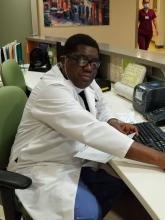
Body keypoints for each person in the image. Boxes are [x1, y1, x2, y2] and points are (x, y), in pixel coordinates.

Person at [8, 33, 165, 220]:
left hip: (71, 157)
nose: (89, 68)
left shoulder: (84, 81)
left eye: (94, 63)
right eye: (82, 60)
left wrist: (114, 122)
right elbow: (92, 131)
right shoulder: (52, 89)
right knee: (89, 213)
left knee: (121, 186)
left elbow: (101, 106)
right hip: (40, 166)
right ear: (63, 60)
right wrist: (160, 158)